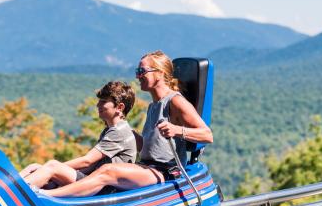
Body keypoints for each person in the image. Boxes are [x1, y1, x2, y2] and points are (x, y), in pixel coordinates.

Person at [44, 50, 212, 197]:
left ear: (159, 73)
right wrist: (125, 132)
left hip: (164, 172)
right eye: (137, 71)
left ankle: (48, 196)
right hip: (146, 167)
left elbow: (207, 135)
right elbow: (151, 146)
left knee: (107, 171)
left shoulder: (175, 101)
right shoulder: (154, 105)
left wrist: (177, 130)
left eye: (142, 71)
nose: (138, 76)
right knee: (100, 168)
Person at [20, 81, 137, 190]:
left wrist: (50, 169)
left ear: (120, 107)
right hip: (95, 180)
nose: (98, 105)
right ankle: (10, 189)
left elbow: (87, 161)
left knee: (51, 166)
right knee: (34, 167)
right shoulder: (111, 130)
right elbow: (92, 166)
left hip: (104, 187)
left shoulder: (119, 131)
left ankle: (14, 194)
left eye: (103, 101)